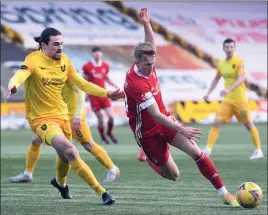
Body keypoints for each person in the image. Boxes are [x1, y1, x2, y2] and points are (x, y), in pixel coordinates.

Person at [124, 8, 240, 207]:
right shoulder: (136, 83)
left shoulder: (147, 60)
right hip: (147, 132)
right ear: (137, 62)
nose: (151, 67)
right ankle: (148, 156)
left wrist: (146, 24)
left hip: (165, 120)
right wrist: (182, 128)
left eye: (153, 63)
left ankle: (225, 193)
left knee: (197, 153)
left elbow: (150, 44)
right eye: (147, 65)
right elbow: (155, 114)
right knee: (173, 175)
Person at [7, 28, 123, 205]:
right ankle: (102, 192)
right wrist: (13, 85)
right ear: (43, 45)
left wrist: (107, 93)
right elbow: (20, 75)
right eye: (55, 44)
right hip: (41, 119)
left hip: (63, 116)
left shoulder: (65, 61)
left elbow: (82, 84)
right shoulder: (33, 59)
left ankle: (61, 183)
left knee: (63, 156)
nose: (60, 48)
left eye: (61, 44)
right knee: (71, 151)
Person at [9, 82, 120, 184]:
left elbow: (81, 90)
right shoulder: (48, 75)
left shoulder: (66, 72)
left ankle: (112, 168)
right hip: (58, 117)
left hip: (73, 118)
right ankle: (28, 174)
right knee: (36, 140)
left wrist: (77, 116)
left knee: (88, 144)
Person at [202, 38, 264, 160]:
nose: (229, 49)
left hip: (240, 100)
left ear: (234, 48)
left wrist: (228, 89)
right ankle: (208, 149)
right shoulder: (221, 63)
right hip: (227, 101)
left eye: (231, 47)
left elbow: (241, 78)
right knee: (216, 122)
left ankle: (258, 150)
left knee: (248, 124)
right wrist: (208, 93)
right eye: (227, 47)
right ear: (223, 49)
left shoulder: (239, 61)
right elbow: (216, 79)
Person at [83, 47, 119, 145]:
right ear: (92, 54)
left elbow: (106, 78)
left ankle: (109, 133)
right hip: (93, 96)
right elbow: (84, 80)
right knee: (100, 118)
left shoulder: (105, 65)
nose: (97, 54)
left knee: (111, 117)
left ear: (101, 54)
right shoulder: (87, 66)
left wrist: (115, 85)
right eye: (95, 53)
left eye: (99, 53)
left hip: (104, 94)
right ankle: (103, 138)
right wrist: (84, 92)